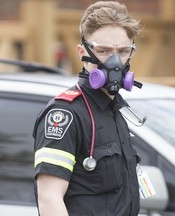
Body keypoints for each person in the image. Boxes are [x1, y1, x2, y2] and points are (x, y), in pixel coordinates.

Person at [33, 1, 143, 215]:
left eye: (123, 51)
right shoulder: (65, 115)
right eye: (103, 51)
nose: (114, 61)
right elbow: (49, 199)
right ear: (82, 51)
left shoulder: (116, 112)